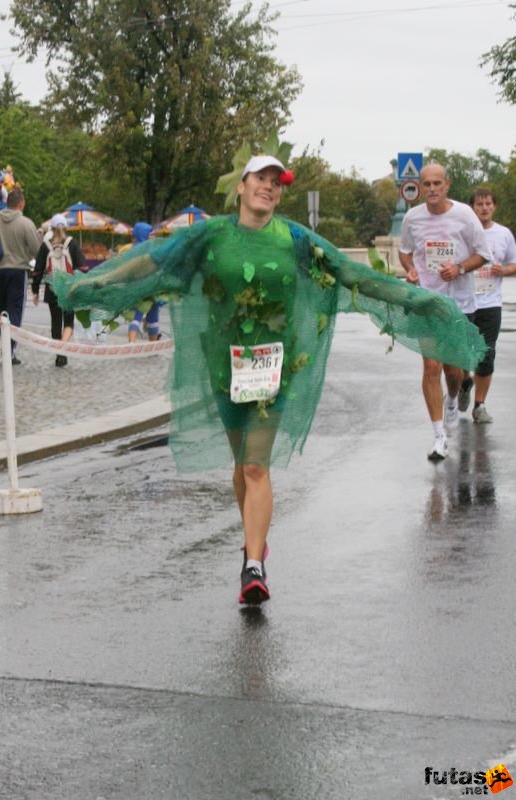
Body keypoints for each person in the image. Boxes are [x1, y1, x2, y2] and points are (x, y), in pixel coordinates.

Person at [51, 154, 486, 605]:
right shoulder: (210, 234)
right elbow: (152, 262)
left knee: (256, 466)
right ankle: (253, 539)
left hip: (272, 365)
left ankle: (254, 565)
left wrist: (417, 301)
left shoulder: (295, 238)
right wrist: (94, 284)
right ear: (241, 186)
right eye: (262, 178)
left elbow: (350, 272)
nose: (270, 187)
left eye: (277, 183)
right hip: (224, 363)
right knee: (241, 464)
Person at [399, 163, 491, 462]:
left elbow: (483, 254)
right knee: (431, 368)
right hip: (427, 302)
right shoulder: (412, 218)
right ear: (420, 187)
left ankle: (452, 399)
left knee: (454, 371)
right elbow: (404, 250)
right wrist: (410, 269)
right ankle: (439, 436)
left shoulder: (464, 215)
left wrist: (460, 267)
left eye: (438, 183)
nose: (432, 189)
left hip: (459, 304)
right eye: (427, 184)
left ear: (447, 184)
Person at [457, 189, 516, 423]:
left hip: (490, 303)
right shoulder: (462, 232)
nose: (484, 208)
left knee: (487, 354)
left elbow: (514, 263)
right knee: (462, 353)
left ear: (494, 207)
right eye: (479, 204)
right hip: (463, 301)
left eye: (488, 204)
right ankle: (464, 383)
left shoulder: (504, 234)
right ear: (471, 207)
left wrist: (504, 270)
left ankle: (479, 405)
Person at [0, 187, 41, 365]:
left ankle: (6, 347)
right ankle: (9, 350)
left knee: (1, 310)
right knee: (15, 310)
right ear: (22, 204)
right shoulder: (26, 223)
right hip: (17, 270)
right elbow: (37, 250)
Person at [32, 213, 87, 366]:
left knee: (55, 322)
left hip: (52, 289)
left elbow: (37, 270)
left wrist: (35, 290)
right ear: (65, 227)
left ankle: (59, 353)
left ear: (52, 228)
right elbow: (83, 267)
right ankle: (64, 349)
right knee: (68, 322)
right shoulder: (72, 244)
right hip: (69, 290)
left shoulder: (46, 245)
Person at [125, 222, 164, 342]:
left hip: (137, 288)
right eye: (150, 233)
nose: (152, 236)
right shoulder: (152, 249)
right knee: (152, 316)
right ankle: (152, 344)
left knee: (137, 315)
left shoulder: (132, 250)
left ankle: (132, 343)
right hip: (150, 287)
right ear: (144, 234)